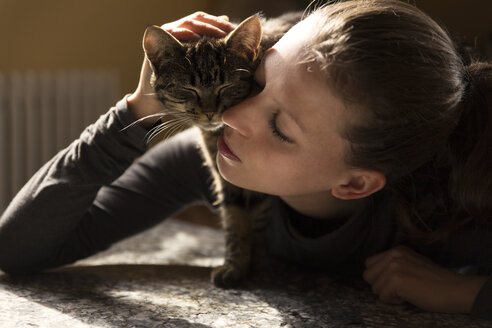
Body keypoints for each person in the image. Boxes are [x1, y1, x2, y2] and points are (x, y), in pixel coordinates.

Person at [0, 0, 491, 319]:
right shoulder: (214, 156)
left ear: (357, 183)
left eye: (280, 126)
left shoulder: (449, 205)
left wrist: (468, 294)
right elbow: (17, 249)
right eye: (255, 83)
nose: (232, 116)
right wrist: (137, 109)